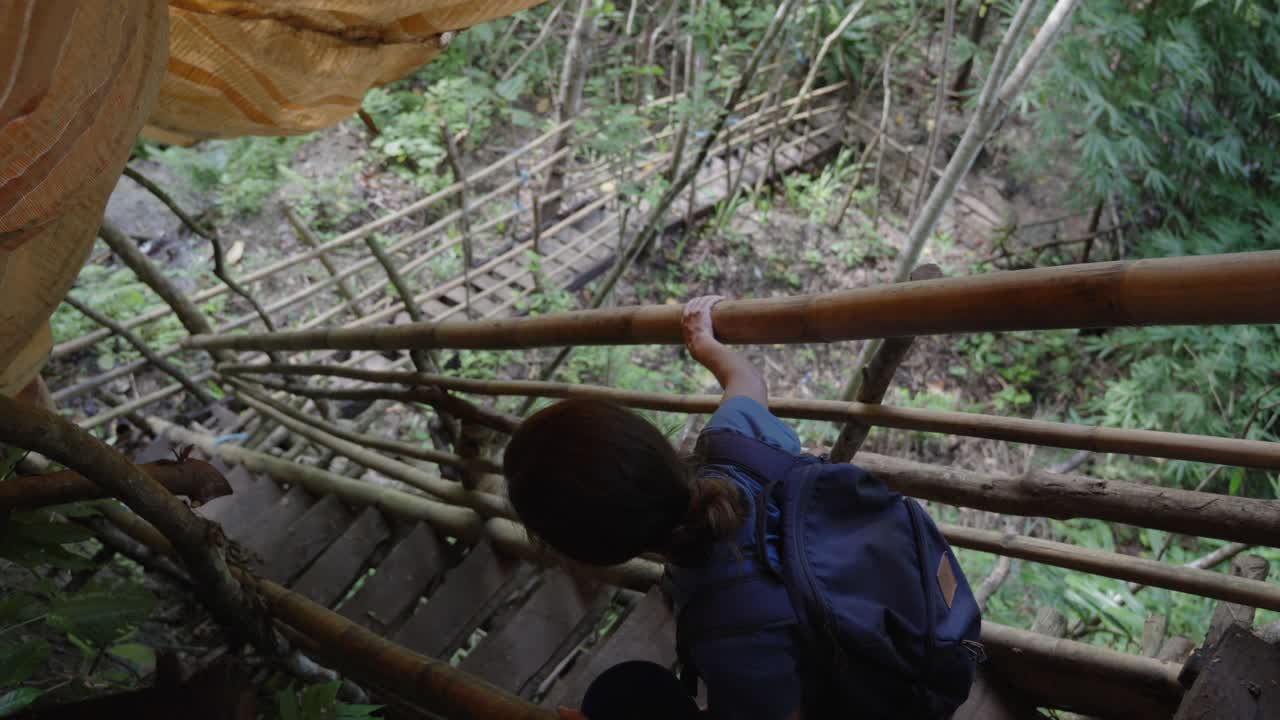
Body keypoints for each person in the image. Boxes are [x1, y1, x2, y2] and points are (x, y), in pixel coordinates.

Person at [504, 295, 807, 720]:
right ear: (650, 444)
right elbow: (747, 381)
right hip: (916, 588)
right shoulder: (736, 446)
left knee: (620, 697)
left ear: (597, 552)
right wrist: (705, 343)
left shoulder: (725, 629)